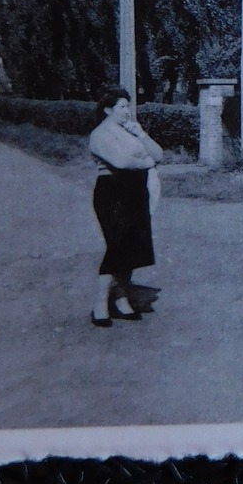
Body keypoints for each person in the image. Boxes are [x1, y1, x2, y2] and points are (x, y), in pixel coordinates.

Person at [87, 86, 163, 327]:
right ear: (108, 110)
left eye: (128, 106)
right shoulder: (100, 134)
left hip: (135, 193)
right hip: (112, 193)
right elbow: (120, 161)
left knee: (133, 248)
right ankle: (100, 303)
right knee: (116, 246)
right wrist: (146, 162)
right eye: (122, 107)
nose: (127, 111)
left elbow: (158, 154)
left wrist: (141, 134)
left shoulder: (130, 131)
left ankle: (121, 299)